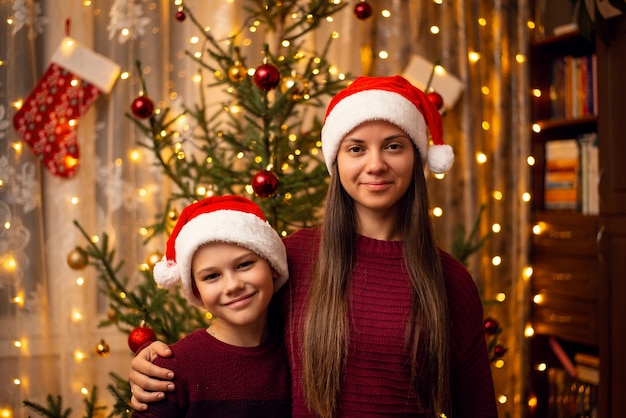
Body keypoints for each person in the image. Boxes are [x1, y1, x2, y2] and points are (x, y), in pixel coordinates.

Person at [129, 75, 498, 417]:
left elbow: (477, 408)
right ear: (336, 161)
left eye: (393, 146)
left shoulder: (451, 281)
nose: (375, 164)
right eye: (356, 149)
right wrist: (161, 366)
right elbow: (237, 338)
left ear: (417, 156)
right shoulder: (294, 258)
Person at [131, 195, 292, 417]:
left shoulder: (297, 355)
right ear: (196, 290)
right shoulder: (169, 371)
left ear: (273, 264)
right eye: (212, 276)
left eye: (244, 265)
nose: (232, 286)